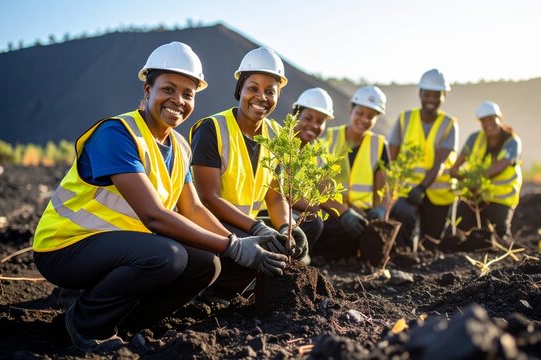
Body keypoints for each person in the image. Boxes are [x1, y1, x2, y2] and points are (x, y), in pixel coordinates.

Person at [32, 42, 288, 353]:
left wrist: (241, 241)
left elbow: (192, 207)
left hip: (120, 247)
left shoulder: (179, 146)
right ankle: (86, 322)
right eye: (168, 89)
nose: (178, 100)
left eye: (188, 94)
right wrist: (232, 245)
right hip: (66, 247)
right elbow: (153, 215)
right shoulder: (119, 133)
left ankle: (125, 324)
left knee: (207, 264)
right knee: (168, 255)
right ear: (148, 89)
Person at [189, 47, 318, 298]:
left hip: (244, 225)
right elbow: (208, 198)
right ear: (240, 89)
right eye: (253, 88)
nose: (261, 97)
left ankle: (236, 289)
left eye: (270, 91)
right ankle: (210, 294)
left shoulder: (276, 135)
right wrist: (259, 229)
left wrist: (286, 225)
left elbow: (275, 195)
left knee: (285, 242)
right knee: (265, 250)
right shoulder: (212, 128)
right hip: (209, 224)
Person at [310, 85, 392, 260]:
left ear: (376, 118)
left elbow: (384, 188)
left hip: (362, 217)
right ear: (351, 109)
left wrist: (380, 211)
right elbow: (317, 185)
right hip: (333, 212)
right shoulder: (329, 139)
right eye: (360, 113)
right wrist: (344, 212)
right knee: (322, 229)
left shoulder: (379, 145)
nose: (364, 119)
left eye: (370, 116)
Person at [388, 69, 459, 249]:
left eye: (436, 95)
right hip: (407, 190)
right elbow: (392, 155)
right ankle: (403, 255)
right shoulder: (405, 118)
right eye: (427, 94)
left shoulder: (449, 124)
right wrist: (390, 185)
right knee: (404, 216)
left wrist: (422, 187)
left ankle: (425, 267)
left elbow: (440, 162)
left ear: (444, 96)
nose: (431, 99)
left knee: (431, 243)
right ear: (420, 94)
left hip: (437, 192)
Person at [450, 100, 522, 238]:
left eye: (491, 119)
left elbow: (501, 166)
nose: (488, 124)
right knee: (463, 225)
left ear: (499, 118)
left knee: (498, 234)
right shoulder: (475, 138)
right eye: (484, 121)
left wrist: (474, 179)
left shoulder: (512, 141)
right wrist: (457, 175)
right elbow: (458, 164)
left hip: (501, 198)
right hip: (476, 194)